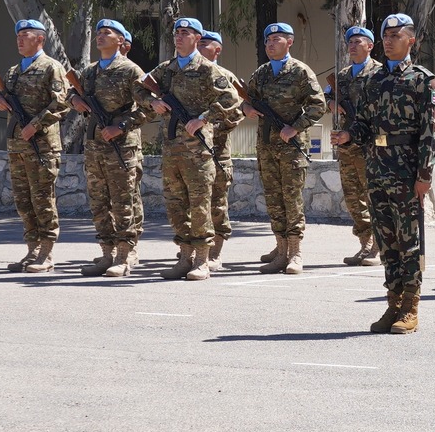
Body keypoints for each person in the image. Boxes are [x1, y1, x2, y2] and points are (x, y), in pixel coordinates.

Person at [342, 13, 435, 333]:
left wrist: (423, 176)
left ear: (411, 40)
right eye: (385, 35)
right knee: (387, 241)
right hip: (377, 169)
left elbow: (430, 132)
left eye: (395, 36)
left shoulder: (424, 80)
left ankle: (411, 307)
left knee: (409, 240)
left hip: (407, 171)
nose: (388, 40)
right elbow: (364, 123)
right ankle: (393, 304)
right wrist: (348, 135)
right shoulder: (374, 80)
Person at [141, 17, 239, 280]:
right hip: (171, 149)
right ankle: (184, 257)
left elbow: (230, 98)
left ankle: (202, 260)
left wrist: (204, 118)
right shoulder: (166, 69)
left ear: (197, 38)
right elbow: (139, 88)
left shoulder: (207, 69)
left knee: (200, 204)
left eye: (185, 33)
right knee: (175, 204)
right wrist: (152, 102)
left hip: (198, 151)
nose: (179, 37)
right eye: (177, 32)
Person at [242, 22, 329, 275]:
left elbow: (318, 105)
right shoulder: (261, 73)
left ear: (289, 42)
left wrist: (295, 127)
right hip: (266, 146)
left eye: (276, 40)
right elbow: (245, 100)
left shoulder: (300, 71)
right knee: (273, 199)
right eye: (268, 41)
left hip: (291, 147)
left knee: (292, 200)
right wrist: (246, 109)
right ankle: (281, 251)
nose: (270, 44)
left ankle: (295, 252)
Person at [0, 18, 69, 273]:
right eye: (18, 36)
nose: (20, 40)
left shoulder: (51, 67)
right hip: (17, 145)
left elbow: (61, 103)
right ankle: (32, 249)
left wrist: (36, 124)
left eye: (26, 35)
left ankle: (46, 252)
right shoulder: (14, 71)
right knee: (23, 201)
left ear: (40, 39)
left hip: (41, 146)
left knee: (42, 199)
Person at [69, 18, 149, 277]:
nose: (100, 36)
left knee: (123, 201)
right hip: (94, 144)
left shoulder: (130, 70)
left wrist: (121, 126)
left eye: (106, 32)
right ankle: (106, 253)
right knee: (99, 202)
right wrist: (74, 101)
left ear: (120, 40)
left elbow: (148, 108)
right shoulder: (89, 72)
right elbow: (70, 92)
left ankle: (125, 255)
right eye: (98, 32)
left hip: (121, 146)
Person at [330, 26, 382, 265]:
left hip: (369, 146)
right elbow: (327, 96)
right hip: (346, 145)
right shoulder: (342, 75)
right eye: (350, 42)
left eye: (357, 42)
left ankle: (379, 247)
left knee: (373, 197)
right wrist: (331, 103)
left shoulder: (379, 73)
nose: (352, 46)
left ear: (370, 46)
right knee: (353, 199)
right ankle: (365, 244)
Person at [197, 29, 245, 264]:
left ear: (217, 49)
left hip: (217, 150)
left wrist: (212, 128)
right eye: (198, 42)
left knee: (216, 202)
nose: (199, 46)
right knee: (194, 202)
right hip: (191, 150)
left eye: (204, 43)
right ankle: (196, 247)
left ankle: (215, 251)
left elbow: (237, 112)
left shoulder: (226, 76)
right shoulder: (188, 74)